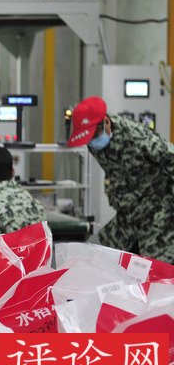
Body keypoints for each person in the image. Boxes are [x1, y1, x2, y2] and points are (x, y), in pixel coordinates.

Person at [67, 96, 174, 263]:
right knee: (103, 257)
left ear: (106, 123)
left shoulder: (137, 139)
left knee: (155, 265)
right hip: (130, 213)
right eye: (88, 139)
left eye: (94, 137)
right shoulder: (94, 142)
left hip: (158, 211)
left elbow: (171, 158)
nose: (92, 143)